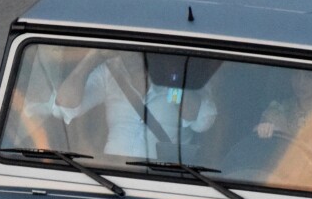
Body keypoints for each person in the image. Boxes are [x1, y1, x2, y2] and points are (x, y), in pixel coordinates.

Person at [51, 50, 217, 160]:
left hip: (166, 181)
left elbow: (203, 121)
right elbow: (64, 106)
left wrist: (170, 81)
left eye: (136, 49)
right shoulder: (110, 71)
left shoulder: (177, 73)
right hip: (111, 177)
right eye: (124, 47)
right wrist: (94, 55)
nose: (129, 54)